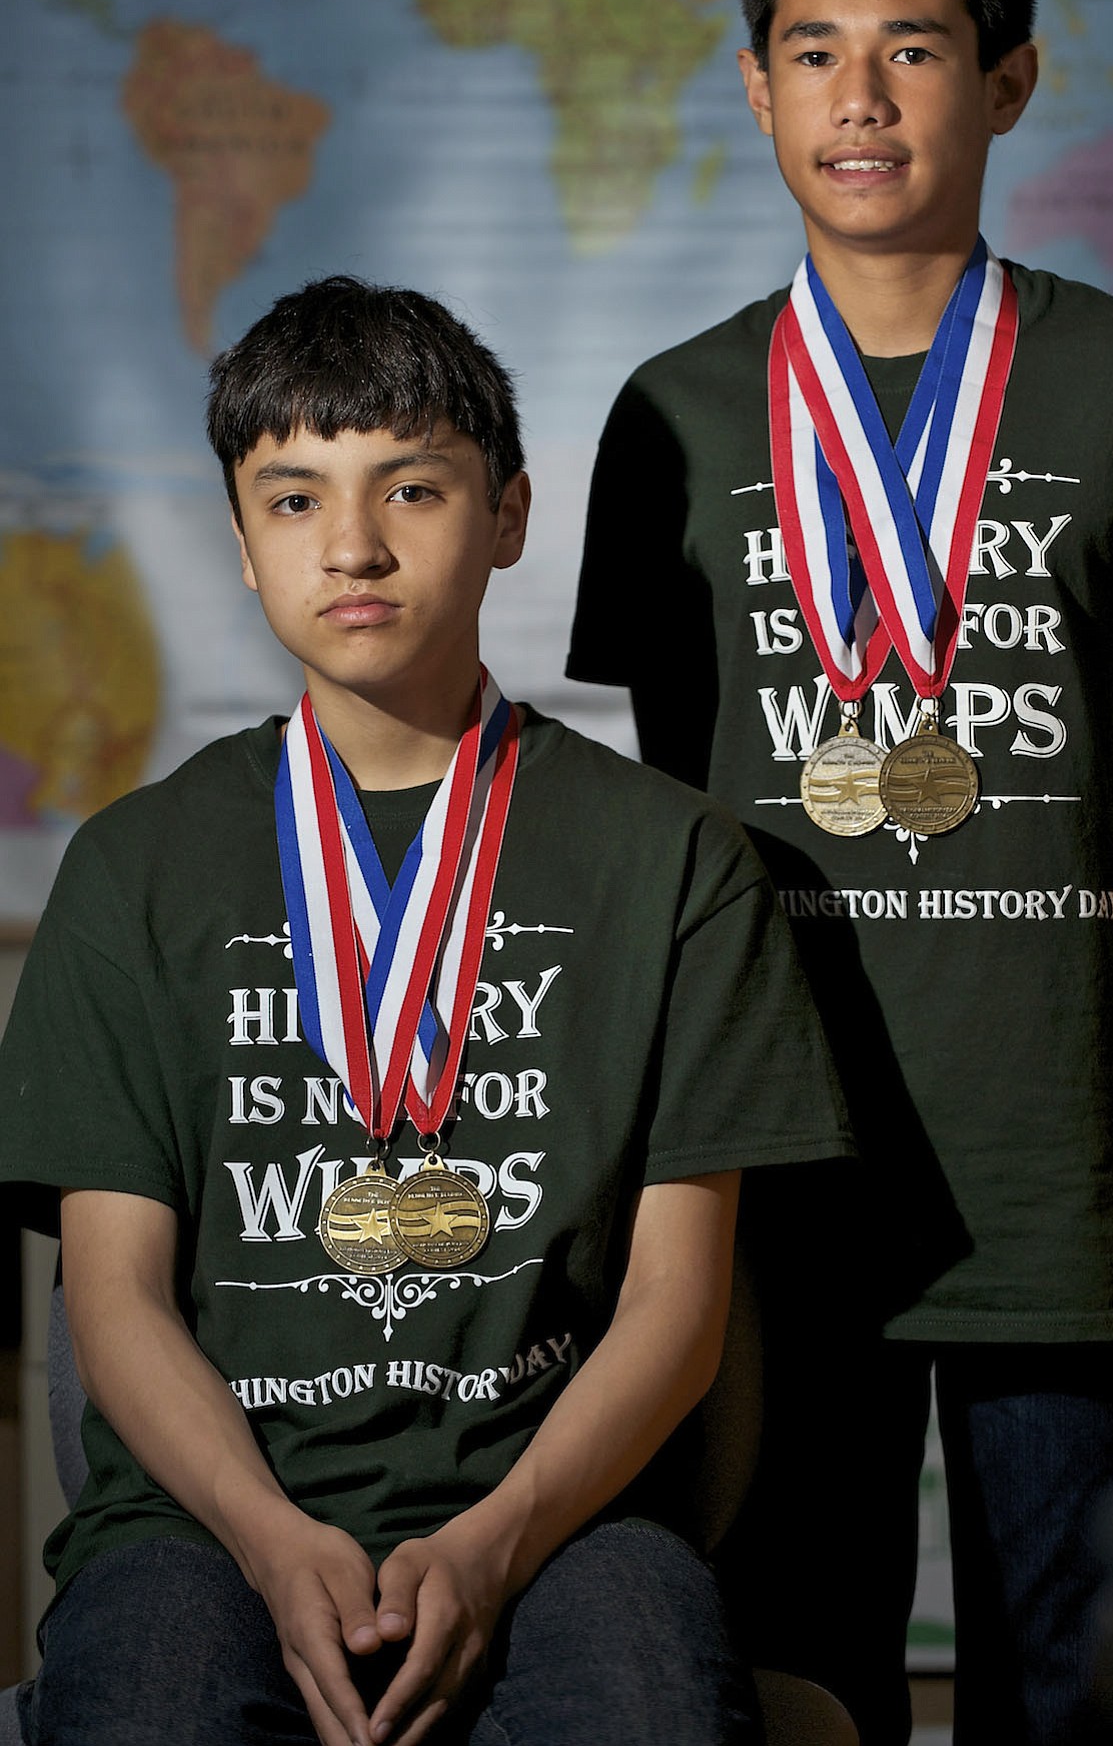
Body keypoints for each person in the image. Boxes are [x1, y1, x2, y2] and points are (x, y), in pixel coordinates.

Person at [567, 0, 1113, 1746]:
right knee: (796, 1669)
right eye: (815, 51)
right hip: (782, 1158)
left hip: (1066, 1162)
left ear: (1008, 81)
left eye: (914, 49)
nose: (861, 96)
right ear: (755, 85)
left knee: (1081, 1675)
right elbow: (671, 806)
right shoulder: (677, 412)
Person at [0, 275, 855, 1746]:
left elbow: (678, 1301)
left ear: (508, 515)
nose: (353, 546)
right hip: (206, 1525)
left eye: (412, 487)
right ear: (241, 541)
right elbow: (116, 1294)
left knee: (652, 1711)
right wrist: (272, 1541)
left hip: (566, 1513)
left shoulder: (670, 861)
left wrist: (497, 1538)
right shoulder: (134, 867)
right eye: (292, 499)